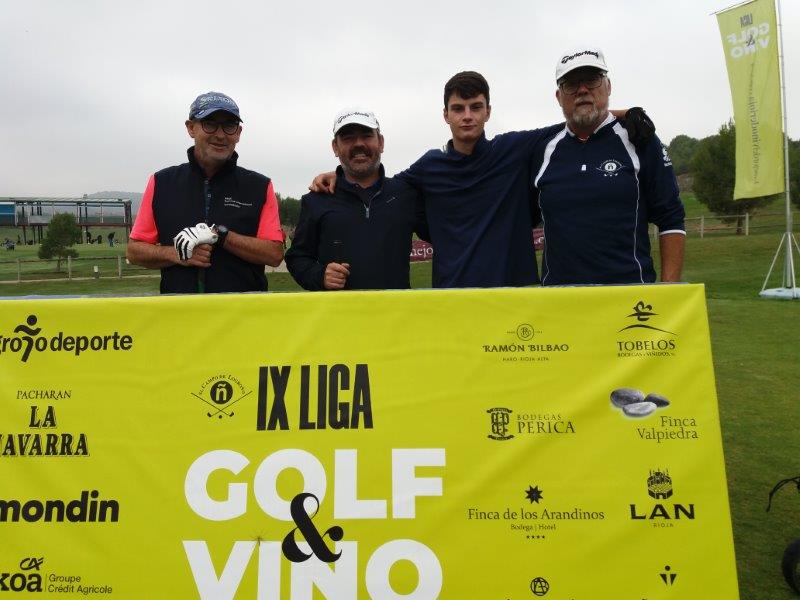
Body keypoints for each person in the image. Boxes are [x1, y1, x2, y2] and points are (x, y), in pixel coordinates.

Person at [312, 72, 653, 288]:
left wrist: (626, 114)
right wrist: (337, 174)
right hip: (454, 300)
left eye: (476, 107)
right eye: (458, 109)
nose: (467, 116)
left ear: (488, 111)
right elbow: (377, 181)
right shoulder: (428, 167)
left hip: (516, 297)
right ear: (445, 114)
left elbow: (575, 122)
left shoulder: (514, 149)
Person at [532, 48, 685, 285]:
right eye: (571, 84)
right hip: (559, 304)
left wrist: (669, 292)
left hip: (629, 301)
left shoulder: (639, 138)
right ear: (558, 97)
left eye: (592, 80)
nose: (582, 90)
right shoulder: (541, 148)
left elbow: (671, 218)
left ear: (608, 86)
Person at [127, 91, 284, 293]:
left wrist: (220, 236)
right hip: (181, 314)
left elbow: (274, 254)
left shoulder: (260, 186)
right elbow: (134, 250)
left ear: (238, 133)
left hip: (243, 315)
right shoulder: (161, 182)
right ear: (191, 128)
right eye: (209, 123)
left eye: (229, 126)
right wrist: (177, 254)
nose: (220, 135)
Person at [286, 108, 427, 290]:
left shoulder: (406, 194)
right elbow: (297, 257)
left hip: (396, 314)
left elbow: (445, 235)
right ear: (335, 147)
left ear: (381, 142)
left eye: (367, 136)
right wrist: (319, 276)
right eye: (348, 138)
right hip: (338, 316)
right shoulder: (316, 200)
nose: (358, 144)